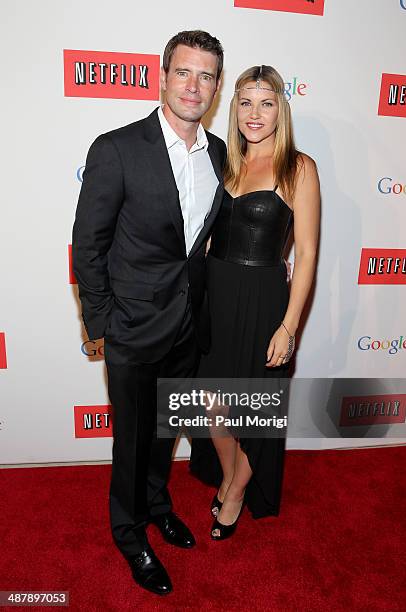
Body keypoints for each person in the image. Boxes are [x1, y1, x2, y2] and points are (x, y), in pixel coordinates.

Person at [72, 31, 226, 595]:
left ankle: (158, 504)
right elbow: (87, 244)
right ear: (162, 77)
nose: (194, 85)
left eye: (206, 76)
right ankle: (129, 532)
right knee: (132, 438)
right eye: (184, 72)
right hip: (132, 327)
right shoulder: (116, 148)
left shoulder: (218, 154)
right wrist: (103, 323)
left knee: (166, 430)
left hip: (188, 323)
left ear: (216, 86)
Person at [189, 65, 320, 539]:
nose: (254, 113)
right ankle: (229, 476)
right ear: (234, 107)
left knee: (256, 409)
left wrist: (289, 326)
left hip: (264, 299)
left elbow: (305, 254)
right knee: (211, 404)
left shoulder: (298, 168)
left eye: (266, 103)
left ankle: (238, 490)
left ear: (280, 109)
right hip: (215, 298)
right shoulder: (221, 160)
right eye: (245, 101)